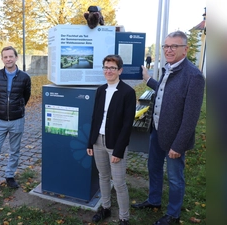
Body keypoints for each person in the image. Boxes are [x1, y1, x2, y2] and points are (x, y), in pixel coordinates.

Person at [131, 31, 205, 225]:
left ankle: (173, 214)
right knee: (153, 168)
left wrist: (178, 146)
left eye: (174, 46)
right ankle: (154, 200)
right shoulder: (168, 68)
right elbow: (165, 91)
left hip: (175, 139)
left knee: (174, 177)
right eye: (166, 46)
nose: (169, 50)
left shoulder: (194, 76)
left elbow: (191, 118)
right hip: (157, 131)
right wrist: (148, 79)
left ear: (185, 49)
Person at [87, 55, 136, 225]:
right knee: (103, 176)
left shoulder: (127, 92)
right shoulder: (100, 90)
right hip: (98, 142)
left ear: (120, 71)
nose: (108, 71)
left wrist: (119, 150)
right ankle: (106, 208)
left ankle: (124, 217)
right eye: (106, 67)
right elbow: (95, 117)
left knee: (120, 182)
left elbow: (127, 124)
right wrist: (90, 142)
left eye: (112, 68)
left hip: (115, 144)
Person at [0, 46, 31, 195]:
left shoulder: (24, 77)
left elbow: (26, 96)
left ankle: (10, 176)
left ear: (16, 57)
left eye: (11, 56)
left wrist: (17, 109)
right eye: (5, 57)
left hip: (17, 120)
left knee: (14, 150)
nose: (8, 59)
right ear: (2, 59)